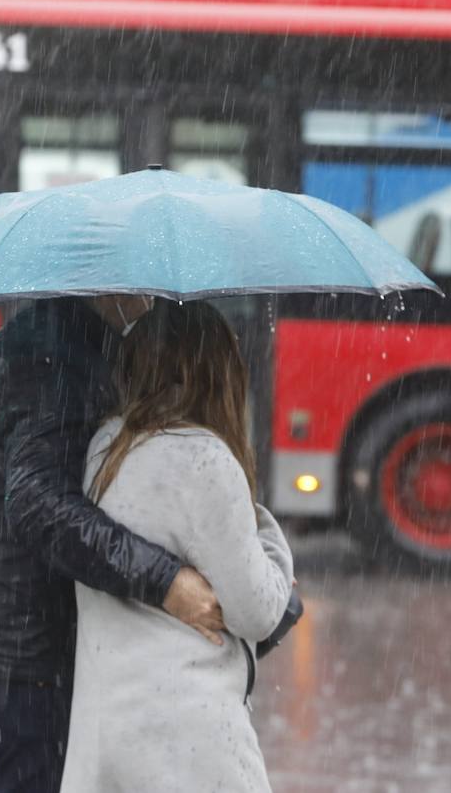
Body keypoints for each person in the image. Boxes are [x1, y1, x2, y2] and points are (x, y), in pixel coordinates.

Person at [0, 294, 225, 793]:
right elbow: (41, 506)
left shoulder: (65, 341)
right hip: (16, 656)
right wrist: (166, 581)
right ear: (106, 284)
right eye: (141, 285)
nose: (151, 298)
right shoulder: (53, 359)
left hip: (4, 646)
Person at [61, 301, 294, 793]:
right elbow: (257, 613)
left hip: (106, 740)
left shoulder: (103, 448)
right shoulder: (205, 459)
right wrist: (270, 540)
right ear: (220, 374)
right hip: (191, 740)